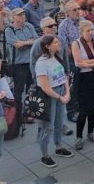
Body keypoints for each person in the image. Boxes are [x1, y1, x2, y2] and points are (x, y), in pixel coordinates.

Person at [35, 35, 74, 168]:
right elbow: (44, 86)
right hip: (49, 96)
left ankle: (59, 146)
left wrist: (67, 92)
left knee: (59, 122)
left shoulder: (56, 57)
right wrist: (59, 96)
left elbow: (64, 77)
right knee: (47, 127)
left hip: (60, 92)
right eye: (56, 43)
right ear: (47, 46)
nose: (59, 45)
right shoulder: (41, 63)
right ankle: (44, 155)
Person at [70, 20, 94, 150]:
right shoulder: (76, 44)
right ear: (81, 32)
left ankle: (91, 132)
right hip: (82, 78)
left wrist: (87, 62)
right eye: (87, 31)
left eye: (92, 30)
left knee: (93, 107)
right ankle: (79, 136)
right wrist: (93, 62)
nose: (91, 33)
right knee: (83, 109)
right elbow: (78, 63)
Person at [5, 8, 38, 124]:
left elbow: (37, 40)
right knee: (18, 90)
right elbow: (17, 45)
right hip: (19, 64)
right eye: (19, 15)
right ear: (13, 17)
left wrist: (24, 42)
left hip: (31, 62)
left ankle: (29, 111)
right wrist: (29, 42)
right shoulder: (9, 30)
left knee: (32, 88)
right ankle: (19, 115)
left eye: (23, 14)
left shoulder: (29, 25)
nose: (22, 16)